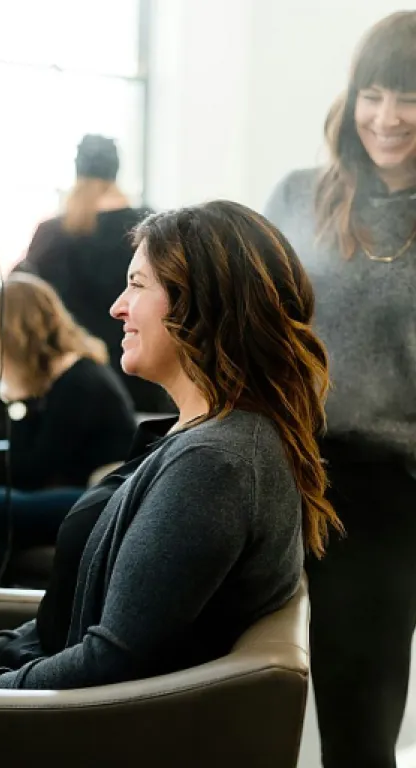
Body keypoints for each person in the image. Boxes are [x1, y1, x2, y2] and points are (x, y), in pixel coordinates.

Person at [0, 200, 340, 690]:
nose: (117, 307)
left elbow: (109, 662)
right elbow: (100, 616)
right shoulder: (206, 439)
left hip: (75, 723)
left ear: (198, 304)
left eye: (137, 285)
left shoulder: (213, 467)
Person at [264, 12, 416, 768]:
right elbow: (252, 325)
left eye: (410, 98)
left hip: (399, 483)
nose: (387, 118)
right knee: (346, 724)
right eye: (373, 95)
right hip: (313, 478)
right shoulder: (299, 197)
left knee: (365, 722)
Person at [0, 273, 136, 582]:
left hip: (102, 501)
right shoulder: (63, 376)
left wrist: (14, 399)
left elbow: (32, 470)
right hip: (86, 492)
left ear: (14, 335)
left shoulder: (79, 383)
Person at [14, 133, 172, 414]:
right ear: (116, 171)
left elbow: (19, 302)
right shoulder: (151, 228)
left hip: (72, 389)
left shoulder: (51, 234)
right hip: (143, 381)